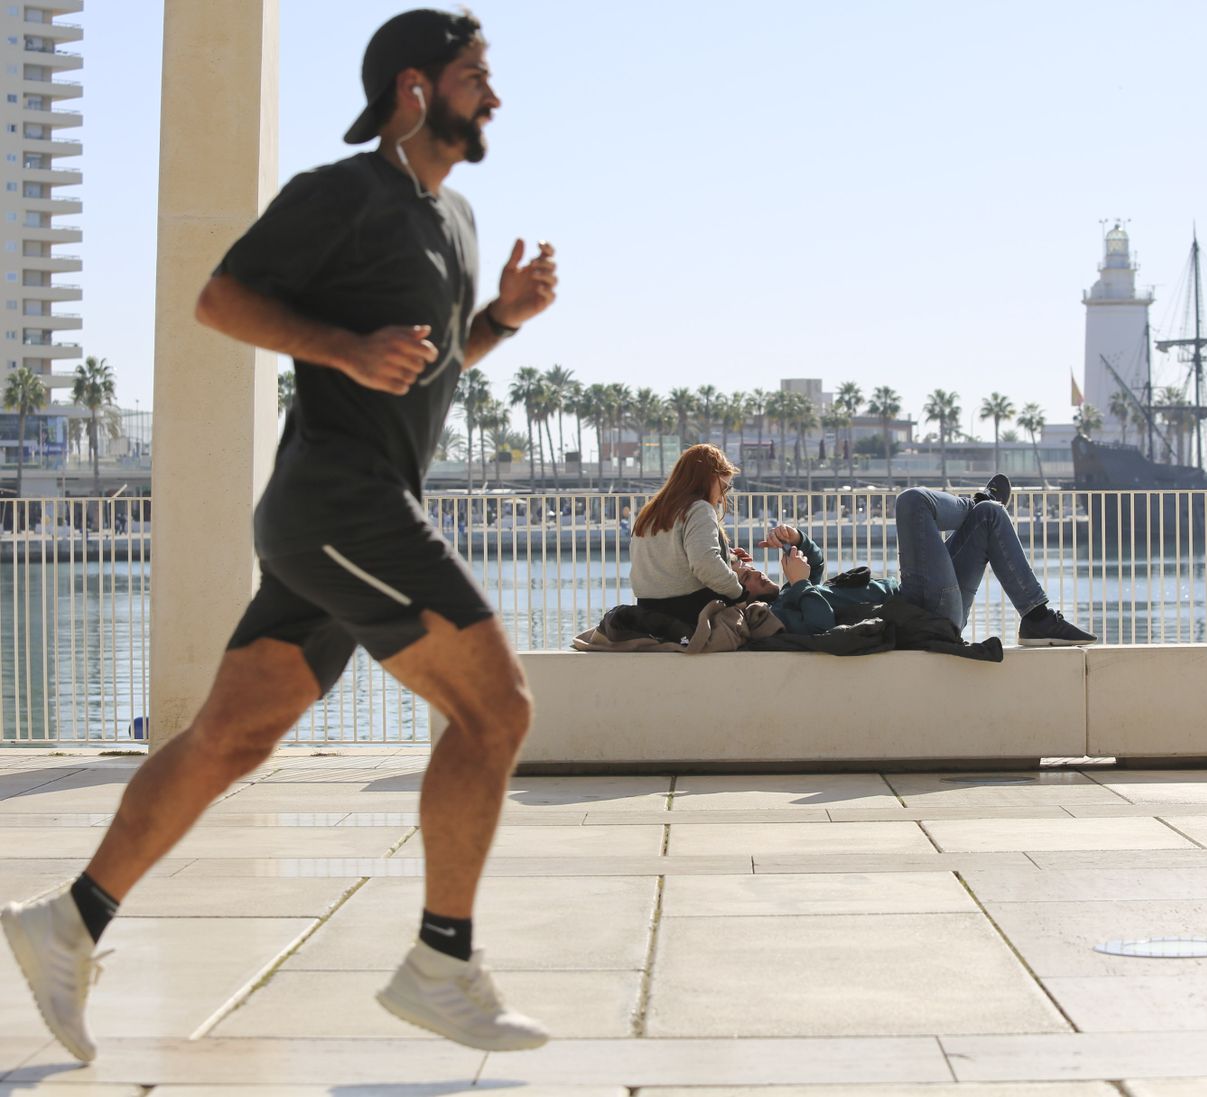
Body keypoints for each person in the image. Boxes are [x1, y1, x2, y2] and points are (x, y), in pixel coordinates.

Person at [3, 10, 556, 1060]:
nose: (493, 96)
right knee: (496, 708)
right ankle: (441, 962)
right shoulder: (341, 194)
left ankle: (66, 922)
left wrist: (501, 321)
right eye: (474, 75)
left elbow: (428, 370)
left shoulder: (457, 220)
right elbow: (220, 300)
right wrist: (342, 348)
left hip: (342, 519)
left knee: (229, 737)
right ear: (414, 88)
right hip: (342, 504)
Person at [735, 475, 1097, 645]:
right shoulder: (780, 613)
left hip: (925, 603)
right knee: (912, 501)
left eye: (750, 568)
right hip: (920, 611)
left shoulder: (789, 594)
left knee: (991, 516)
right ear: (745, 598)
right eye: (746, 578)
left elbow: (815, 565)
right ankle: (974, 502)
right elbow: (820, 628)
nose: (755, 572)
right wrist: (800, 583)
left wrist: (797, 539)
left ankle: (1036, 617)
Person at [628, 444, 748, 625]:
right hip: (687, 610)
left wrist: (728, 557)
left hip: (647, 608)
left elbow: (670, 557)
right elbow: (705, 564)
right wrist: (739, 594)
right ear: (710, 478)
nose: (722, 497)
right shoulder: (699, 509)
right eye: (724, 488)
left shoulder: (651, 512)